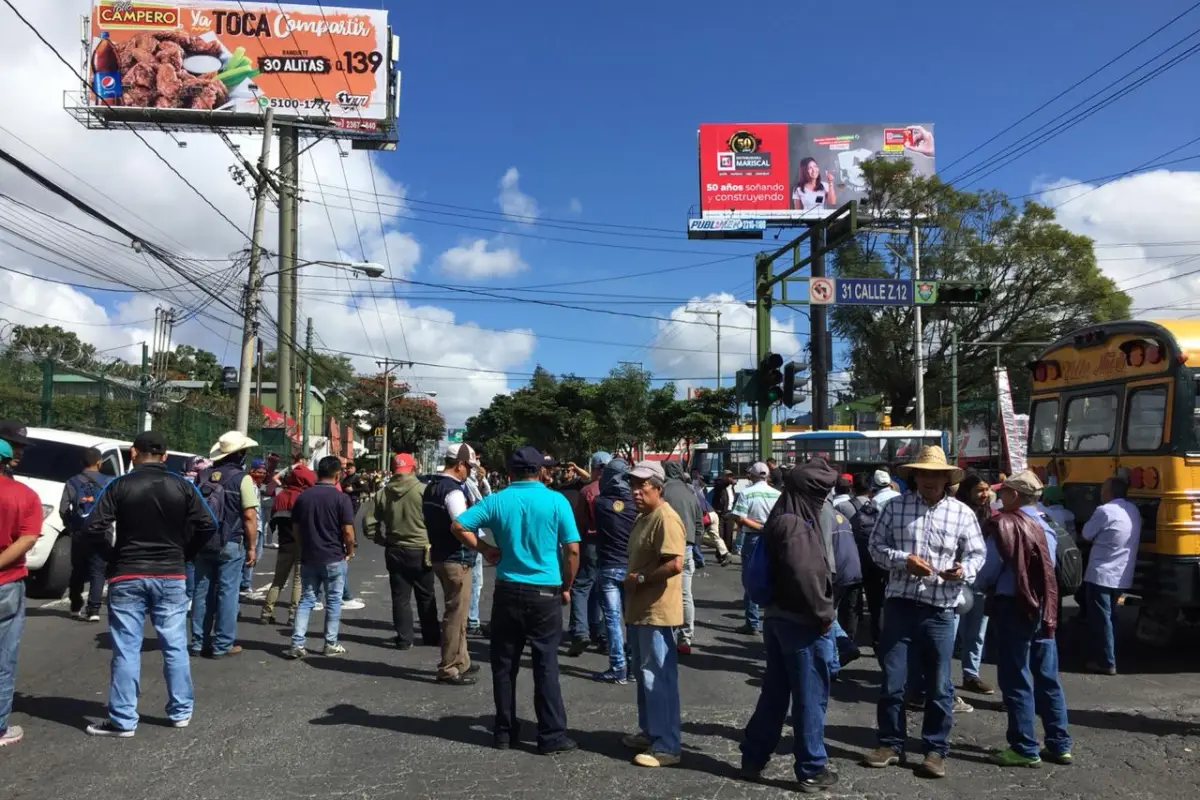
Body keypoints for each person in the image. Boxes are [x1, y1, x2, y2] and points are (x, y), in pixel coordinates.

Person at [82, 431, 218, 737]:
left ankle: (123, 720)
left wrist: (111, 557)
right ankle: (181, 711)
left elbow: (93, 527)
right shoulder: (183, 486)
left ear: (133, 453)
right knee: (174, 646)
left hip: (128, 572)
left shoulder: (119, 485)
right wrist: (186, 553)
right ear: (165, 457)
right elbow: (208, 524)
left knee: (126, 648)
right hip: (171, 572)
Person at [863, 446, 986, 779]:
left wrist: (962, 571)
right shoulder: (895, 508)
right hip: (901, 604)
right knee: (892, 681)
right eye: (924, 474)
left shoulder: (963, 513)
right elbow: (875, 547)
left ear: (947, 479)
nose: (930, 480)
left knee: (940, 685)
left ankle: (935, 749)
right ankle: (890, 743)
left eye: (937, 475)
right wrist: (904, 561)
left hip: (942, 609)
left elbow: (977, 554)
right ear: (914, 476)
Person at [452, 445, 581, 755]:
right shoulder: (555, 501)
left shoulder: (497, 500)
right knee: (545, 664)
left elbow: (458, 525)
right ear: (541, 471)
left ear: (510, 472)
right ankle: (550, 736)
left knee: (504, 664)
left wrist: (485, 549)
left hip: (509, 590)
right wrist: (567, 585)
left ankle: (504, 731)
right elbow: (573, 549)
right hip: (545, 592)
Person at [740, 459, 839, 792]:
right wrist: (825, 615)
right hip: (802, 623)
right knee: (810, 698)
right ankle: (811, 767)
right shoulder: (796, 524)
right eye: (821, 491)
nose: (825, 497)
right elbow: (806, 576)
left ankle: (753, 756)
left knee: (774, 694)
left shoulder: (781, 516)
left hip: (777, 618)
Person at [977, 471, 1072, 768]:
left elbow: (987, 572)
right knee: (1047, 676)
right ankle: (1059, 744)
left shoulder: (1006, 525)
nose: (999, 496)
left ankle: (1024, 747)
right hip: (1046, 607)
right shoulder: (1049, 525)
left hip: (1013, 606)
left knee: (1016, 676)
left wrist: (974, 585)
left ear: (1015, 495)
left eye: (1003, 491)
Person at [620, 461, 686, 768]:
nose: (634, 491)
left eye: (641, 486)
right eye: (632, 485)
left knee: (658, 678)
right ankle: (650, 732)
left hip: (656, 611)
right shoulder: (644, 516)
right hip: (640, 610)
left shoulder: (665, 518)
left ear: (658, 488)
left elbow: (674, 564)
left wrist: (642, 578)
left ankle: (667, 745)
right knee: (645, 675)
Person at [191, 431, 259, 658]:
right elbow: (249, 516)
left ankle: (198, 642)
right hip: (230, 542)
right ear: (240, 454)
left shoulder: (202, 476)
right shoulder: (243, 479)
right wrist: (251, 547)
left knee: (202, 593)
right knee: (228, 593)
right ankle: (223, 644)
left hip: (202, 542)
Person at [368, 453, 439, 650]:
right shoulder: (425, 491)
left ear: (393, 470)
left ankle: (405, 638)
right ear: (413, 468)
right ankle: (431, 635)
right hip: (422, 549)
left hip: (395, 548)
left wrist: (380, 539)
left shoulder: (384, 492)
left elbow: (369, 524)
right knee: (426, 594)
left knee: (400, 597)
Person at [287, 456, 356, 659]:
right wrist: (349, 551)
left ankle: (297, 643)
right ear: (337, 475)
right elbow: (348, 531)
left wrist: (302, 548)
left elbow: (296, 529)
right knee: (333, 600)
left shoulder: (303, 497)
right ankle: (330, 643)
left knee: (306, 599)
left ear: (317, 473)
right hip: (334, 556)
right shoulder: (341, 498)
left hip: (309, 555)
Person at [424, 443, 480, 685]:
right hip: (456, 557)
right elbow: (461, 526)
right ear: (460, 465)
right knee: (456, 614)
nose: (470, 471)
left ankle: (462, 660)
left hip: (439, 554)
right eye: (469, 466)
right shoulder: (454, 491)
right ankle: (448, 667)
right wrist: (484, 548)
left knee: (459, 612)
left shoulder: (432, 487)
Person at [0, 421, 40, 747]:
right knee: (3, 659)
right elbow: (27, 537)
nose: (20, 453)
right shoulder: (23, 494)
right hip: (7, 582)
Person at [1080, 475, 1141, 675]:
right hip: (1122, 573)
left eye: (1103, 489)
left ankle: (1106, 660)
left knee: (1101, 619)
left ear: (1108, 492)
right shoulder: (1133, 510)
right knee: (1111, 616)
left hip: (1101, 573)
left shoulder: (1104, 510)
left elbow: (1086, 534)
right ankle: (1111, 653)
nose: (1100, 492)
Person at [592, 458, 638, 684]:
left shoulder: (599, 503)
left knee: (612, 619)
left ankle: (618, 666)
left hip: (608, 565)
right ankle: (634, 665)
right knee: (631, 619)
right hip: (631, 567)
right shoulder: (635, 503)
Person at [954, 474, 997, 695]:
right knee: (950, 631)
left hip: (981, 581)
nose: (985, 494)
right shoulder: (956, 512)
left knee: (977, 631)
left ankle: (971, 674)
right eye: (980, 490)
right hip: (954, 580)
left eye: (987, 489)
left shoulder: (991, 515)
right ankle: (939, 679)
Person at [259, 463, 315, 626]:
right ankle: (292, 615)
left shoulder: (281, 496)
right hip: (301, 543)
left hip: (284, 542)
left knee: (278, 580)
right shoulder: (304, 497)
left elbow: (273, 521)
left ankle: (266, 612)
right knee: (298, 581)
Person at [60, 447, 112, 622]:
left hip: (80, 532)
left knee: (78, 569)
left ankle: (75, 606)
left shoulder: (72, 482)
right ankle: (94, 610)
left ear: (81, 463)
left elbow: (63, 508)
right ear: (100, 463)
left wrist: (70, 525)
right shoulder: (109, 482)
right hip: (102, 532)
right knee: (98, 571)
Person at [567, 452, 611, 657]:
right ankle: (603, 634)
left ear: (594, 468)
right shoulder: (620, 490)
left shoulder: (587, 491)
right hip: (613, 546)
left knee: (580, 587)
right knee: (604, 590)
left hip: (591, 542)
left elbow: (579, 522)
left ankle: (580, 631)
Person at [732, 462, 781, 634]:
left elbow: (740, 518)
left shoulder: (746, 494)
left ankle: (752, 623)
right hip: (774, 538)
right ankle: (773, 619)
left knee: (751, 579)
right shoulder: (777, 494)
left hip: (753, 538)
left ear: (751, 476)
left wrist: (760, 527)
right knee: (774, 577)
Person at [661, 460, 704, 655]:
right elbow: (699, 520)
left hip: (666, 547)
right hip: (686, 546)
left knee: (666, 592)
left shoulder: (662, 491)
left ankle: (667, 634)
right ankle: (685, 637)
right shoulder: (690, 491)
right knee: (686, 594)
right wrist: (694, 543)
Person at [465, 464, 492, 638]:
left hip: (474, 533)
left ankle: (469, 618)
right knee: (474, 581)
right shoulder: (466, 483)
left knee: (476, 582)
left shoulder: (472, 482)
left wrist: (483, 481)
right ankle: (471, 620)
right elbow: (485, 504)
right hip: (468, 534)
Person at [240, 458, 268, 595]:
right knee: (251, 554)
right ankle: (245, 584)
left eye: (264, 472)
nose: (262, 475)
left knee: (257, 554)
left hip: (258, 525)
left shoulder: (256, 485)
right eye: (259, 472)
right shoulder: (249, 484)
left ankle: (245, 582)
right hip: (253, 526)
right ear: (252, 471)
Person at [711, 469, 738, 555]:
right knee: (720, 535)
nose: (730, 478)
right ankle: (720, 554)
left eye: (731, 476)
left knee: (729, 535)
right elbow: (721, 484)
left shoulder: (732, 487)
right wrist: (728, 481)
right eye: (728, 476)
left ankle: (728, 553)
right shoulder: (719, 484)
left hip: (730, 513)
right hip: (721, 513)